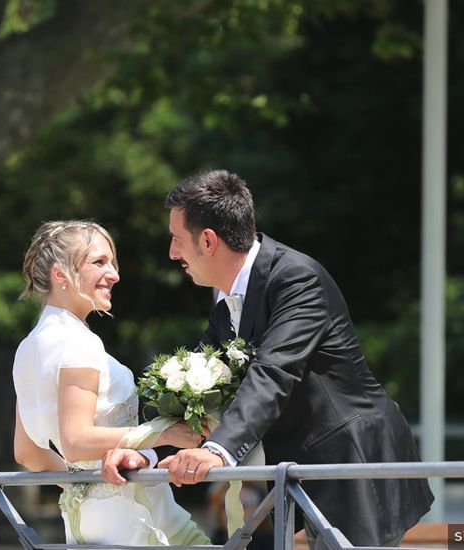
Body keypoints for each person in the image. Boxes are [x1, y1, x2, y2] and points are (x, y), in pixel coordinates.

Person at [103, 171, 434, 547]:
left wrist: (216, 452)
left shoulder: (297, 279)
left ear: (208, 241)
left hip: (353, 462)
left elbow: (273, 373)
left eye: (177, 240)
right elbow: (196, 393)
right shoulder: (226, 302)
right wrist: (143, 451)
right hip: (305, 472)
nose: (172, 253)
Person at [12, 220, 210, 546]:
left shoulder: (27, 348)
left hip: (86, 518)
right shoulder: (79, 344)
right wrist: (163, 432)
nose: (115, 274)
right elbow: (76, 440)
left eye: (112, 263)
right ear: (60, 274)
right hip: (132, 514)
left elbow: (27, 452)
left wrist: (83, 487)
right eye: (99, 262)